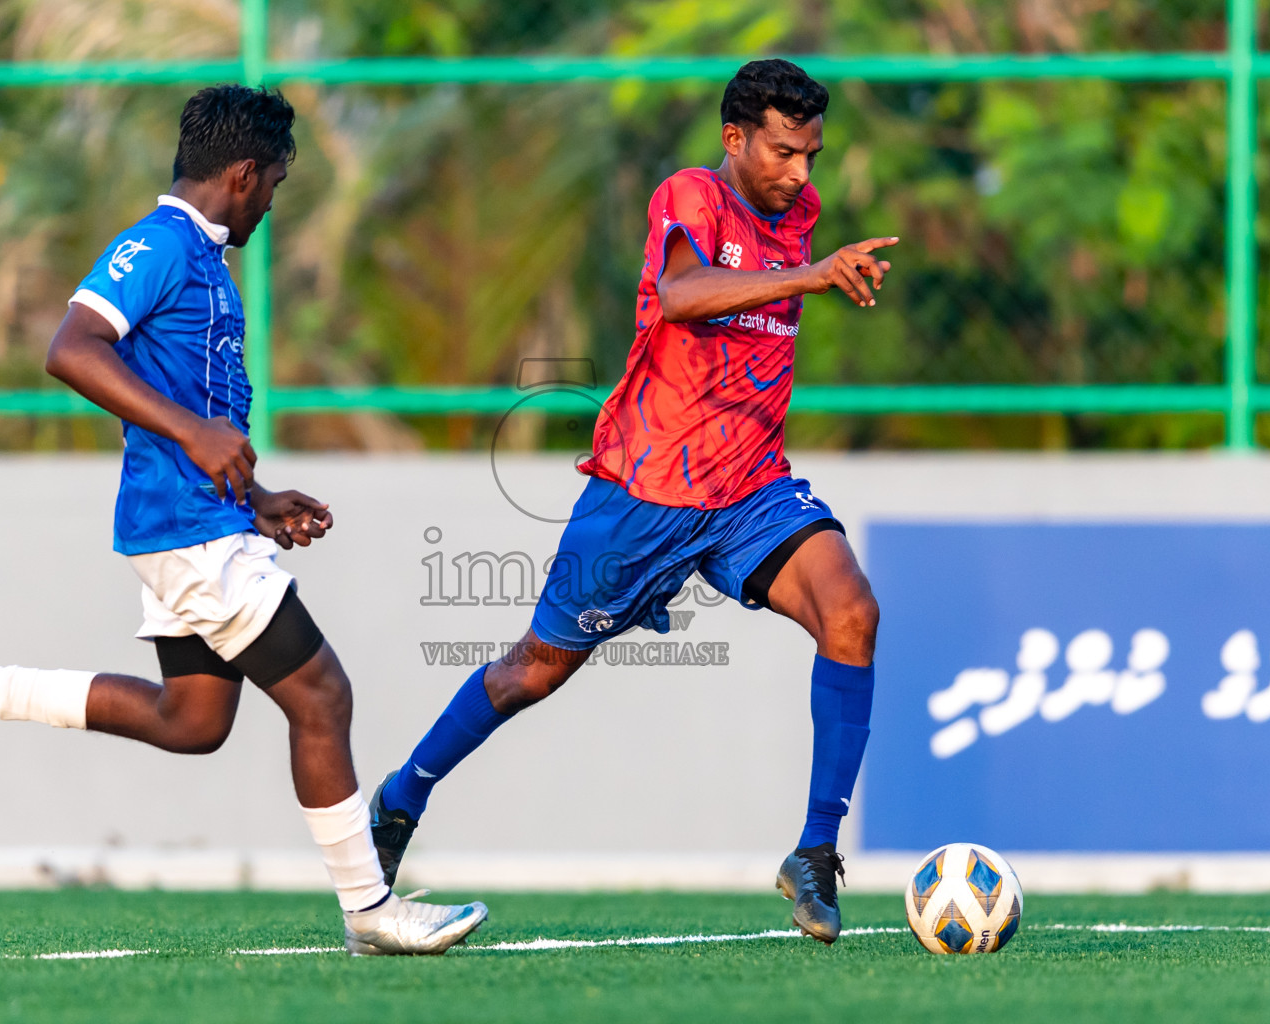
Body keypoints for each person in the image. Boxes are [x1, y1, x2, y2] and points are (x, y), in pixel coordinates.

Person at [0, 84, 487, 957]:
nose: (271, 205)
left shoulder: (204, 260)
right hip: (187, 533)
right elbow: (69, 348)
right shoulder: (159, 244)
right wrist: (194, 437)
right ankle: (369, 910)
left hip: (201, 524)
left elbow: (196, 411)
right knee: (323, 695)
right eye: (275, 186)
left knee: (193, 722)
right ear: (247, 173)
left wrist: (257, 502)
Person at [369, 59, 895, 945]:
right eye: (783, 152)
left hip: (752, 485)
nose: (802, 174)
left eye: (812, 154)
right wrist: (810, 280)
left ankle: (815, 851)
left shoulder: (797, 213)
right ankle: (401, 797)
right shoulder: (689, 195)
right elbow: (683, 298)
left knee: (853, 614)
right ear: (735, 140)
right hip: (646, 487)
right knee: (532, 670)